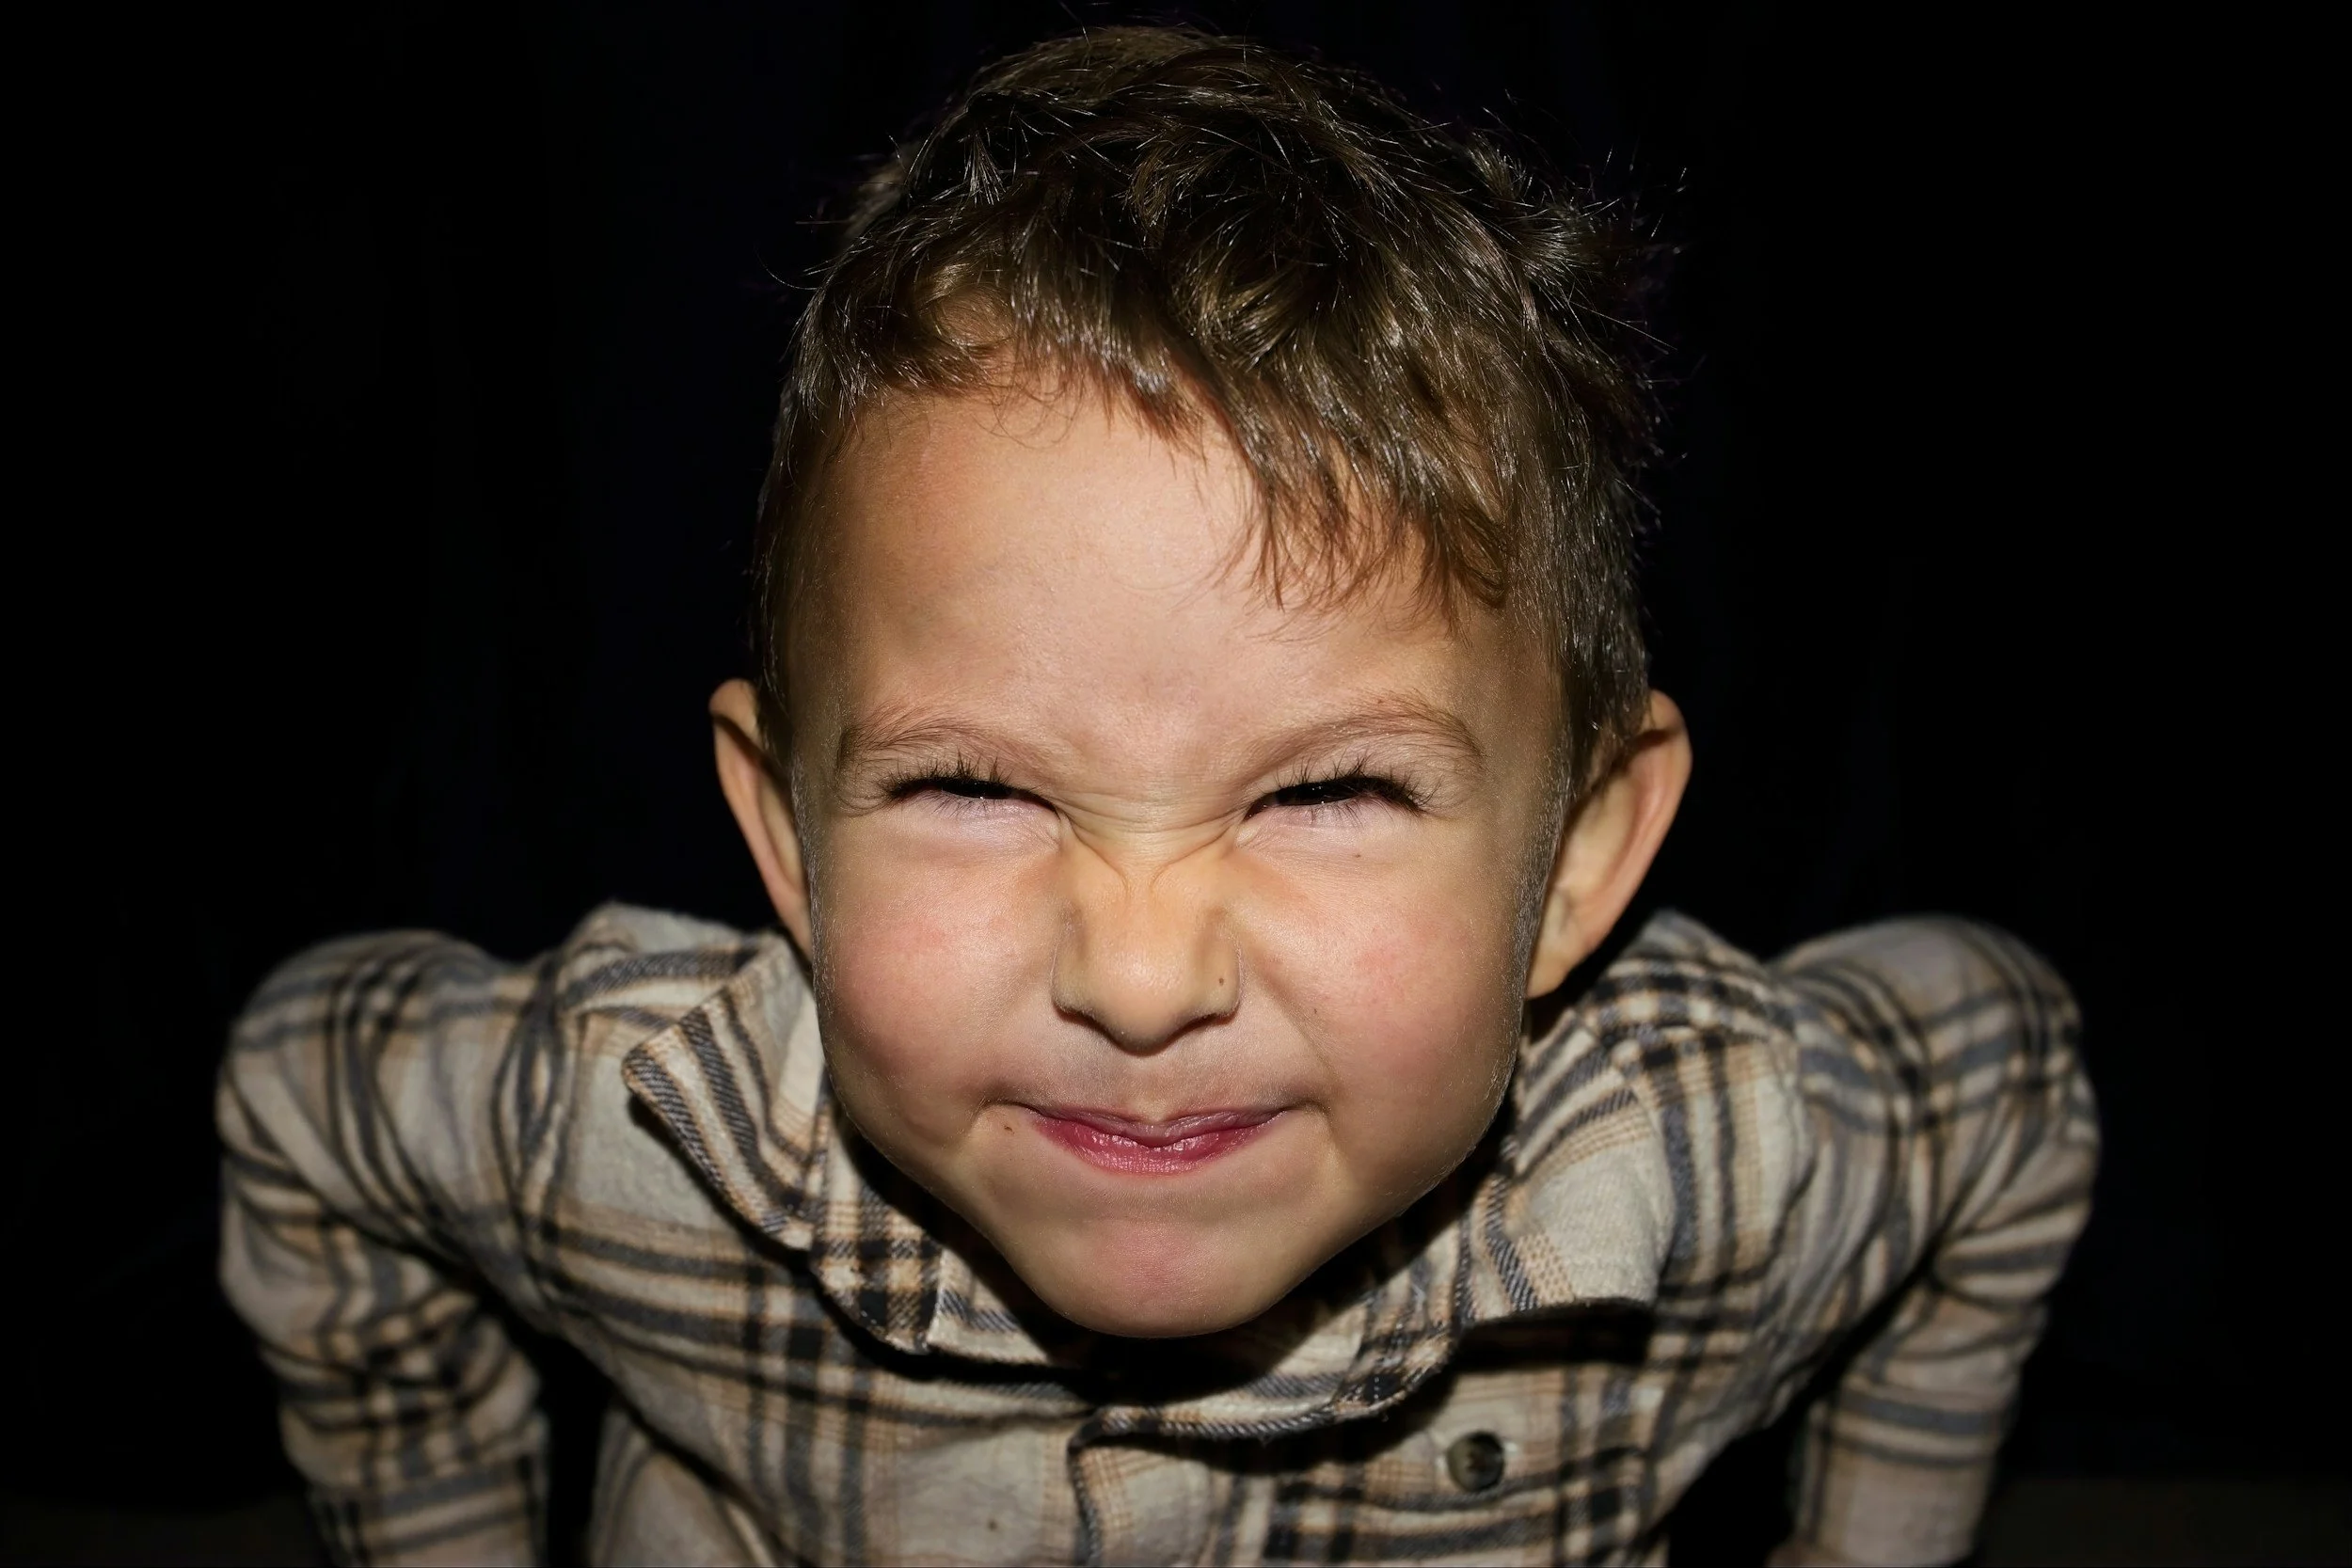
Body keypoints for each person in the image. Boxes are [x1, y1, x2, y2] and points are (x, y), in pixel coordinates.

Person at [219, 27, 2095, 1565]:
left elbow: (2001, 1074)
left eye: (1327, 791)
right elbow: (312, 1082)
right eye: (972, 784)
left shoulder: (1716, 1154)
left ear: (1582, 850)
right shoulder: (634, 1129)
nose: (1136, 977)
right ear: (784, 834)